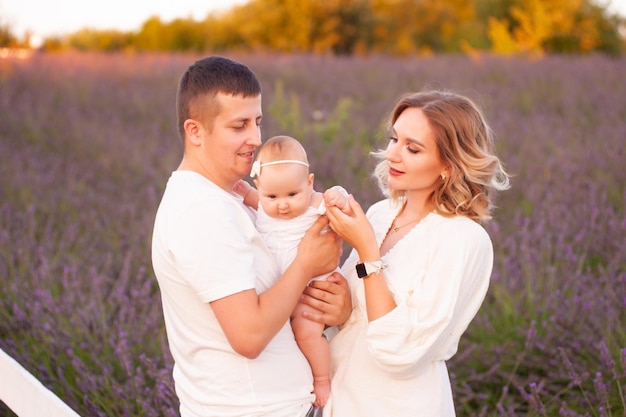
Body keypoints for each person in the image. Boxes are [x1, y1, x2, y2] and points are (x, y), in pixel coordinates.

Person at [151, 56, 351, 417]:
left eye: (257, 122)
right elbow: (249, 336)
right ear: (195, 131)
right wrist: (306, 265)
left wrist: (334, 305)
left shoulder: (231, 198)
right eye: (239, 125)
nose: (256, 139)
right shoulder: (201, 211)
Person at [321, 90, 510, 416]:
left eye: (412, 148)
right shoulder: (380, 214)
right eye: (394, 139)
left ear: (448, 165)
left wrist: (367, 250)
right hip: (342, 395)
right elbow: (355, 315)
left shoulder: (463, 240)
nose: (393, 154)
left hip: (397, 405)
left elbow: (400, 350)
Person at [234, 135, 351, 408]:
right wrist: (239, 190)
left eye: (292, 194)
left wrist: (338, 194)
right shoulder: (264, 205)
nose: (282, 205)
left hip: (312, 288)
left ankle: (322, 378)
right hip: (283, 287)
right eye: (272, 196)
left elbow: (343, 206)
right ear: (259, 187)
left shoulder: (315, 204)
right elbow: (253, 199)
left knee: (305, 332)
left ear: (309, 184)